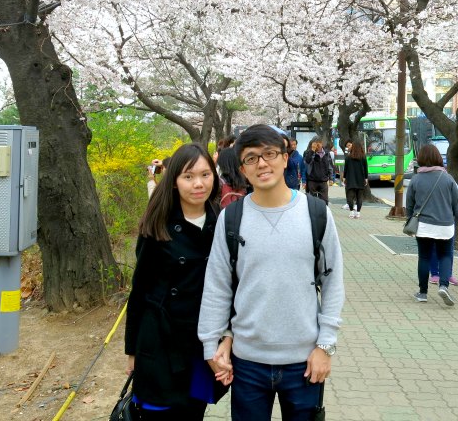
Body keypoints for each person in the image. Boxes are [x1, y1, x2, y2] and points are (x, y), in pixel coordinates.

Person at [198, 124, 345, 421]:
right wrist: (211, 346)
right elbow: (217, 286)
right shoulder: (232, 217)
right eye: (251, 158)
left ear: (285, 157)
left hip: (304, 361)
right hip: (247, 362)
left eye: (269, 154)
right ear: (242, 168)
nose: (262, 163)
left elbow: (332, 282)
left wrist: (325, 346)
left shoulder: (316, 213)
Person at [125, 144, 230, 420]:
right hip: (160, 340)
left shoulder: (222, 221)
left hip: (201, 342)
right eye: (188, 176)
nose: (199, 184)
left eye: (206, 175)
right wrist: (132, 349)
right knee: (157, 411)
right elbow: (140, 290)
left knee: (192, 412)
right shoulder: (157, 224)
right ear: (173, 182)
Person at [407, 144, 458, 306]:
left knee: (424, 257)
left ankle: (422, 293)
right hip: (445, 226)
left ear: (420, 158)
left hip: (423, 226)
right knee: (445, 255)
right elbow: (456, 204)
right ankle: (443, 285)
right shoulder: (448, 178)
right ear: (438, 158)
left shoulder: (416, 179)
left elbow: (409, 205)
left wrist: (410, 223)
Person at [303, 137, 335, 204]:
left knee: (324, 200)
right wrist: (312, 151)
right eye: (315, 144)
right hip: (312, 180)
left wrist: (331, 178)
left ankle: (323, 212)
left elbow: (330, 167)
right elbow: (307, 162)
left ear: (321, 143)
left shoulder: (326, 153)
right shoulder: (308, 152)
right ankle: (313, 213)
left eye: (319, 143)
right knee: (312, 200)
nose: (317, 145)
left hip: (323, 180)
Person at [343, 140, 368, 219]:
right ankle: (358, 213)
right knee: (359, 197)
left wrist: (344, 178)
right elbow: (365, 169)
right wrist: (366, 178)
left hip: (350, 179)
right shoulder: (363, 157)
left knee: (350, 197)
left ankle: (351, 212)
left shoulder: (348, 157)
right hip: (360, 179)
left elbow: (345, 169)